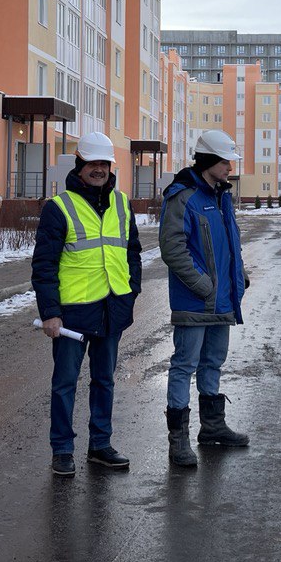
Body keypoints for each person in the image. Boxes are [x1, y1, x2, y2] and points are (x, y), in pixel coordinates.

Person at [32, 131, 142, 477]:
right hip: (73, 312)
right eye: (93, 163)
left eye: (105, 163)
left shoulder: (122, 204)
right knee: (65, 383)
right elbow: (44, 266)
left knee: (104, 380)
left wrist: (131, 290)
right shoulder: (59, 207)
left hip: (112, 307)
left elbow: (132, 253)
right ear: (79, 165)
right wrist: (50, 313)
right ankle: (62, 449)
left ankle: (100, 445)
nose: (99, 169)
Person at [158, 129, 250, 467]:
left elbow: (229, 242)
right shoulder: (183, 196)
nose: (230, 167)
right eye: (225, 161)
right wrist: (202, 285)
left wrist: (238, 275)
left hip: (221, 300)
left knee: (213, 362)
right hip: (196, 301)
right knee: (184, 365)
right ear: (210, 160)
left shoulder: (221, 196)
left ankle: (212, 427)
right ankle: (178, 440)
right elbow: (172, 248)